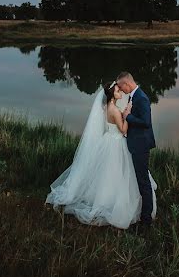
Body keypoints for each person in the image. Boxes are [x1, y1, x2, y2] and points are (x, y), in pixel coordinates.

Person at [46, 80, 156, 229]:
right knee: (118, 175)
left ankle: (104, 197)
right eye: (118, 91)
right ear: (112, 94)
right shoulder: (116, 110)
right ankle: (114, 202)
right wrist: (127, 114)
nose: (120, 93)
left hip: (109, 141)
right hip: (117, 144)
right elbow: (123, 130)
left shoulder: (107, 107)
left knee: (107, 174)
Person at [116, 71, 156, 228]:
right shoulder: (134, 96)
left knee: (143, 182)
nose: (121, 90)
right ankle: (144, 214)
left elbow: (146, 122)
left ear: (127, 84)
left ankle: (146, 221)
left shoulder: (142, 98)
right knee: (141, 180)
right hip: (136, 144)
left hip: (141, 146)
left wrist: (127, 117)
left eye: (121, 87)